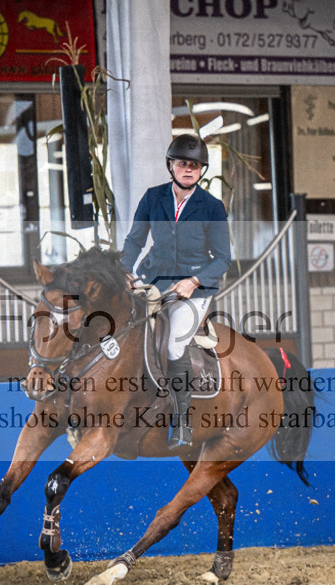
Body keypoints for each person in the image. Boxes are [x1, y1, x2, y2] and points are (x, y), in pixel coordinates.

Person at [120, 133, 232, 449]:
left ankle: (181, 424)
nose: (188, 170)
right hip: (153, 281)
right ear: (171, 166)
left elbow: (224, 259)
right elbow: (135, 240)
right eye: (183, 164)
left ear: (201, 171)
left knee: (172, 346)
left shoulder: (212, 207)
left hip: (194, 290)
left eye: (195, 166)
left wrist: (193, 281)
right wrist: (125, 269)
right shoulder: (153, 198)